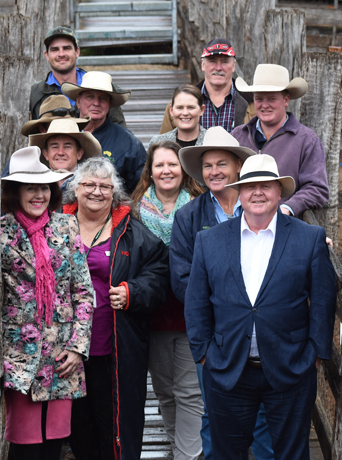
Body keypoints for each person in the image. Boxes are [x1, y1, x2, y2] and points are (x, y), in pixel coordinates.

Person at [185, 153, 337, 459]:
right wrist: (204, 353)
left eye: (266, 185)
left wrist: (315, 353)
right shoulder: (209, 241)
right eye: (250, 186)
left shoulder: (309, 238)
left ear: (279, 191)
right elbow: (197, 301)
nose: (258, 192)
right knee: (228, 453)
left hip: (291, 366)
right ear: (239, 192)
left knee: (292, 453)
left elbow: (323, 298)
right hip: (228, 368)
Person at [169, 126, 268, 460]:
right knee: (215, 411)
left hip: (260, 331)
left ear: (238, 166)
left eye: (222, 164)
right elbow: (182, 278)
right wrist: (221, 311)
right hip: (215, 333)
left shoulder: (260, 207)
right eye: (208, 165)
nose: (214, 171)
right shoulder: (188, 216)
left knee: (264, 415)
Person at [62, 157, 170, 460]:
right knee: (78, 430)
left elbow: (160, 272)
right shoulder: (57, 226)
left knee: (115, 429)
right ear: (75, 189)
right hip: (65, 350)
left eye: (105, 186)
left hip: (114, 347)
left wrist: (132, 291)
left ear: (114, 192)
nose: (96, 192)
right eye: (89, 184)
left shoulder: (131, 232)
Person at [0, 146, 96, 460]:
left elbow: (83, 292)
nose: (39, 195)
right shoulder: (0, 232)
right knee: (24, 445)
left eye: (44, 188)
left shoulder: (66, 227)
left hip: (61, 356)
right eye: (31, 188)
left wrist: (78, 347)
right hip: (20, 356)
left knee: (54, 444)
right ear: (16, 192)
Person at [130, 140, 205, 460]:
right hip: (152, 314)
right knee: (164, 390)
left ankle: (188, 455)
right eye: (159, 165)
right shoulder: (134, 211)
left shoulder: (199, 207)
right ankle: (179, 448)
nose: (166, 170)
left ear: (183, 169)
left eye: (172, 164)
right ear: (150, 171)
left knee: (189, 391)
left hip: (190, 310)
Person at [232, 63, 329, 216]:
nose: (265, 105)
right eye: (259, 99)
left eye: (272, 99)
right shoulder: (238, 136)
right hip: (239, 222)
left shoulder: (306, 140)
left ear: (286, 100)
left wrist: (288, 208)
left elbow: (317, 188)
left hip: (284, 225)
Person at [62, 71, 147, 192]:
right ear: (78, 101)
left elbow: (142, 187)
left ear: (110, 105)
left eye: (103, 98)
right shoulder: (62, 133)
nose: (96, 103)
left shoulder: (128, 143)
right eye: (90, 96)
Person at [30, 26, 126, 127]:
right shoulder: (35, 93)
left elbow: (119, 129)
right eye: (55, 49)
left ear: (77, 52)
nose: (61, 54)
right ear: (47, 55)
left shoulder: (101, 86)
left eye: (67, 48)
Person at [159, 38, 254, 135]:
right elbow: (164, 142)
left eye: (224, 62)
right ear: (203, 65)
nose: (218, 68)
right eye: (212, 61)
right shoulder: (179, 105)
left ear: (233, 66)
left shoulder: (252, 104)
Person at [28, 118, 102, 192]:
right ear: (46, 154)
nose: (60, 153)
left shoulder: (94, 183)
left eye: (67, 147)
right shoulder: (35, 183)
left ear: (79, 153)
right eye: (55, 147)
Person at [22, 94, 89, 136]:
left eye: (68, 125)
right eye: (58, 126)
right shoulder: (32, 155)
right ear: (42, 129)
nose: (65, 130)